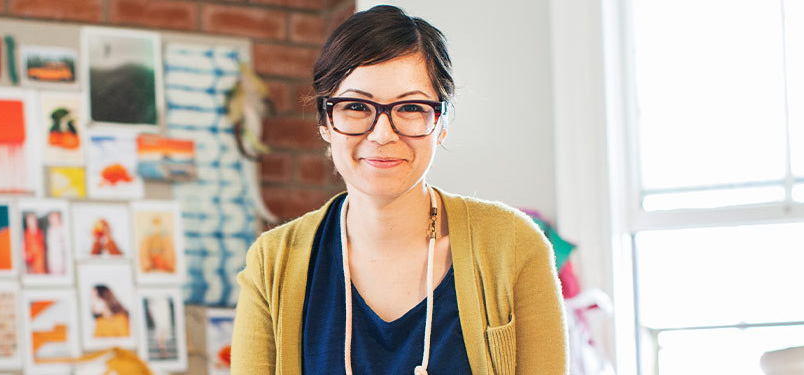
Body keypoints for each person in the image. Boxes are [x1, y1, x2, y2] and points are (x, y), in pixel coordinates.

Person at [231, 5, 567, 375]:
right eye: (357, 106)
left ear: (441, 124)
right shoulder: (272, 263)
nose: (382, 134)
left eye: (409, 107)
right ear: (326, 121)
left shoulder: (514, 246)